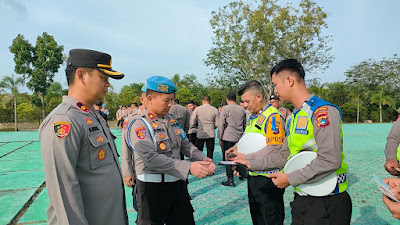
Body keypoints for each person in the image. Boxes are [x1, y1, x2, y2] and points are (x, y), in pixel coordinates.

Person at [234, 59, 352, 224]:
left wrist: (290, 178)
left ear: (289, 81)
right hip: (302, 197)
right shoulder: (294, 117)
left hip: (327, 201)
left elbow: (330, 159)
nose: (275, 91)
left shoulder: (321, 112)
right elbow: (283, 155)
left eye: (275, 84)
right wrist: (249, 162)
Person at [39, 49, 128, 225]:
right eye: (103, 78)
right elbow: (63, 190)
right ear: (81, 75)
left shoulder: (91, 116)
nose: (108, 85)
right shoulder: (65, 120)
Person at [126, 76, 216, 224]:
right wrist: (189, 167)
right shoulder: (139, 123)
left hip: (177, 184)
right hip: (152, 189)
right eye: (166, 100)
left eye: (172, 100)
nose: (170, 104)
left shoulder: (171, 120)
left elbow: (185, 144)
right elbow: (150, 157)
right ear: (150, 98)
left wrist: (201, 157)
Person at [226, 80, 287, 225]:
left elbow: (274, 148)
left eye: (247, 101)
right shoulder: (253, 116)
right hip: (253, 175)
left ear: (259, 97)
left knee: (271, 219)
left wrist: (245, 158)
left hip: (268, 178)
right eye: (242, 102)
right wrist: (236, 148)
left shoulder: (273, 117)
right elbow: (250, 138)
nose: (244, 105)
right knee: (257, 218)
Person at [121, 85, 148, 211]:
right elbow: (126, 148)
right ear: (142, 99)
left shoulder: (166, 118)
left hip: (165, 173)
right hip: (142, 172)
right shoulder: (132, 120)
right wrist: (127, 172)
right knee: (142, 209)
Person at [217, 92, 246, 187]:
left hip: (228, 136)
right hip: (239, 136)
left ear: (227, 99)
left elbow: (221, 124)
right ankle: (241, 174)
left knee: (228, 158)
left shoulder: (225, 109)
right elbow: (245, 124)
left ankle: (230, 179)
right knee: (239, 156)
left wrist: (220, 137)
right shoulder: (242, 109)